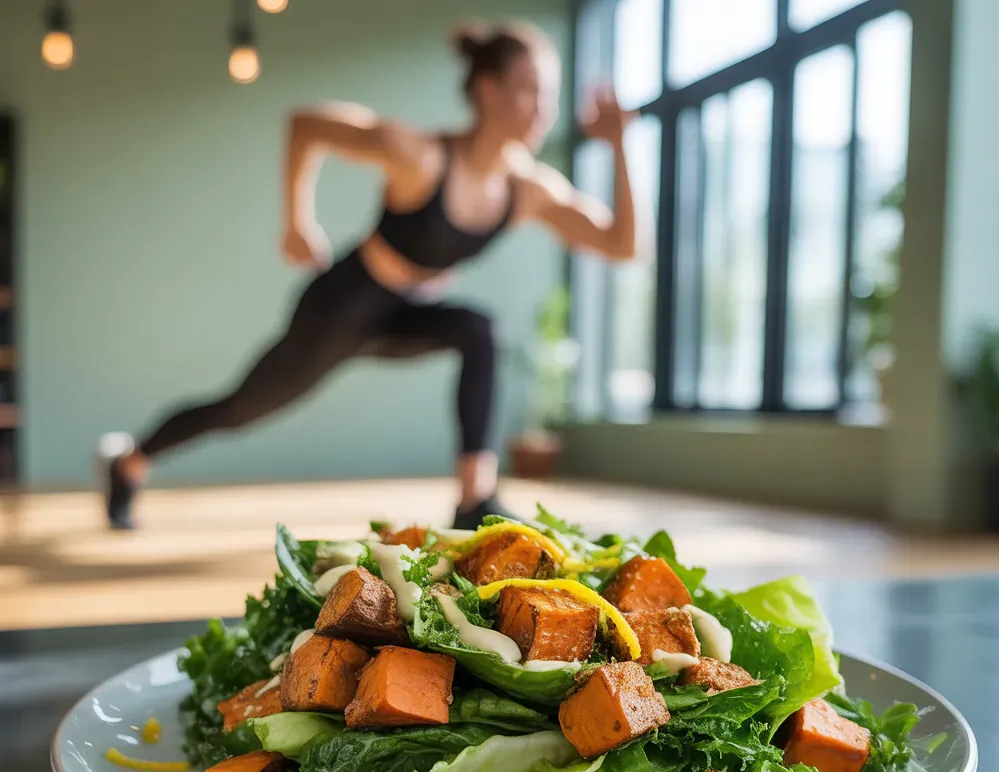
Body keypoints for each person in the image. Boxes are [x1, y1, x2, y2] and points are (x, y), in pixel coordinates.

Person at [97, 20, 638, 530]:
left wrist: (618, 147)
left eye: (549, 94)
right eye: (529, 90)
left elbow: (620, 244)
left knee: (477, 329)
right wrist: (296, 221)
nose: (543, 109)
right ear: (488, 90)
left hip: (402, 316)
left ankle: (475, 499)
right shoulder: (420, 156)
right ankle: (130, 461)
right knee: (239, 409)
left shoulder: (529, 189)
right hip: (341, 307)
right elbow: (307, 125)